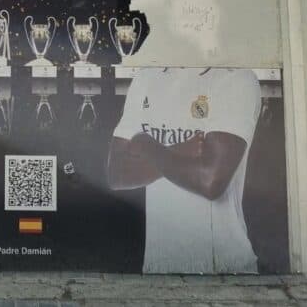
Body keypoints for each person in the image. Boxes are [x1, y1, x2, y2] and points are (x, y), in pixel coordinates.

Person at [107, 67, 261, 273]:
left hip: (224, 268)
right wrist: (176, 152)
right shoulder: (146, 77)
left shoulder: (235, 77)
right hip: (160, 267)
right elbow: (116, 174)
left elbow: (209, 181)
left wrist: (147, 145)